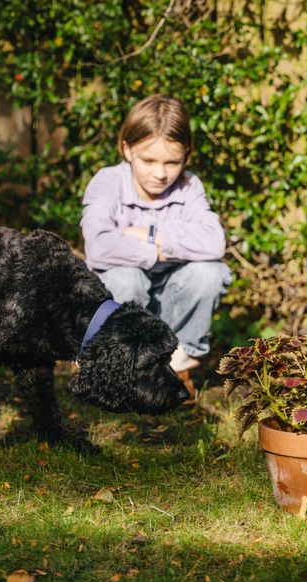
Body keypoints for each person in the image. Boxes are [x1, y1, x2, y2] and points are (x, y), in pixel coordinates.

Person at [80, 94, 231, 381]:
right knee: (128, 278)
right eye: (148, 160)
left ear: (186, 155)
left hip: (168, 298)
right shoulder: (107, 182)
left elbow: (214, 242)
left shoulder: (188, 187)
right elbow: (99, 247)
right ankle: (119, 364)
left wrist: (150, 235)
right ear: (127, 149)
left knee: (210, 273)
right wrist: (153, 253)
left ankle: (176, 363)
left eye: (172, 162)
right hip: (120, 300)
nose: (160, 174)